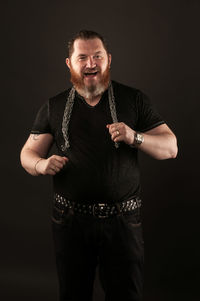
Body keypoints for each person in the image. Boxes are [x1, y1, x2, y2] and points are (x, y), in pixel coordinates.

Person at [20, 30, 178, 301]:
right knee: (73, 294)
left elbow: (171, 148)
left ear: (109, 60)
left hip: (123, 222)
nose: (91, 63)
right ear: (69, 63)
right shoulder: (53, 106)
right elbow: (28, 152)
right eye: (82, 57)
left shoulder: (134, 99)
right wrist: (40, 165)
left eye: (97, 56)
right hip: (70, 221)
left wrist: (135, 137)